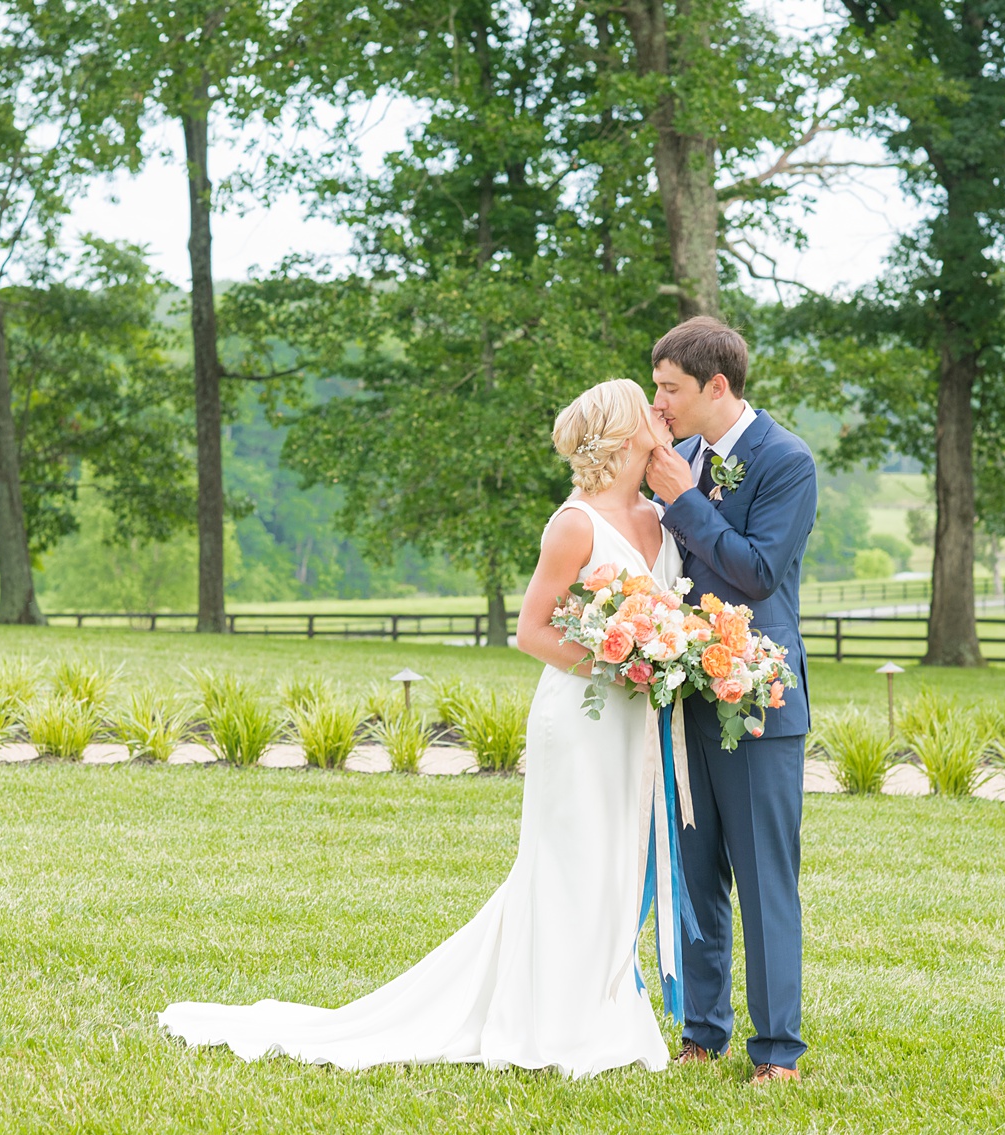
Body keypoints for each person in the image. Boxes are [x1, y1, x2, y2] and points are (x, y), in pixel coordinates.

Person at [158, 378, 683, 1078]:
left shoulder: (657, 517)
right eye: (645, 407)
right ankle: (553, 1021)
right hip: (581, 719)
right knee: (567, 862)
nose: (659, 412)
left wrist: (660, 659)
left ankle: (605, 1007)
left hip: (634, 728)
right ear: (623, 432)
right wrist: (618, 665)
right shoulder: (575, 523)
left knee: (618, 861)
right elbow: (532, 630)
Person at [644, 316, 818, 1085]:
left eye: (670, 389)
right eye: (657, 388)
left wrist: (684, 500)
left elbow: (756, 573)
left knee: (763, 879)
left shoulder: (786, 461)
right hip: (685, 698)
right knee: (696, 872)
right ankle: (702, 1030)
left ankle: (777, 1050)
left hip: (758, 700)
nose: (662, 401)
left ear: (717, 386)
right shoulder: (679, 455)